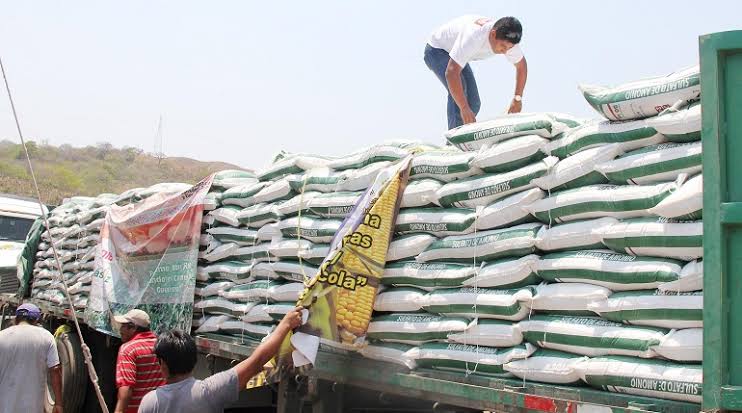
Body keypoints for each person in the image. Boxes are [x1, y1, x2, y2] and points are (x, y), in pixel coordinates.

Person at [138, 306, 304, 413]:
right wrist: (286, 324)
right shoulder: (209, 391)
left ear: (163, 364)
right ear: (193, 359)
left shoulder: (150, 403)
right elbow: (256, 361)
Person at [424, 15, 528, 130]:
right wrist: (463, 108)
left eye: (509, 48)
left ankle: (464, 137)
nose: (505, 51)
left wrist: (517, 98)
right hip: (436, 49)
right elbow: (451, 74)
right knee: (461, 97)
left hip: (457, 54)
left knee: (473, 104)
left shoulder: (509, 41)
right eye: (502, 46)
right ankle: (453, 143)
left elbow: (521, 67)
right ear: (493, 34)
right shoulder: (474, 37)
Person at [0, 303, 63, 413]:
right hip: (33, 407)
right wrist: (58, 403)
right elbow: (55, 370)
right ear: (36, 321)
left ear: (16, 318)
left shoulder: (2, 336)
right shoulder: (46, 337)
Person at [114, 309, 166, 413]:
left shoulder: (128, 349)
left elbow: (126, 388)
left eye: (123, 326)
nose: (120, 330)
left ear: (133, 328)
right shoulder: (162, 345)